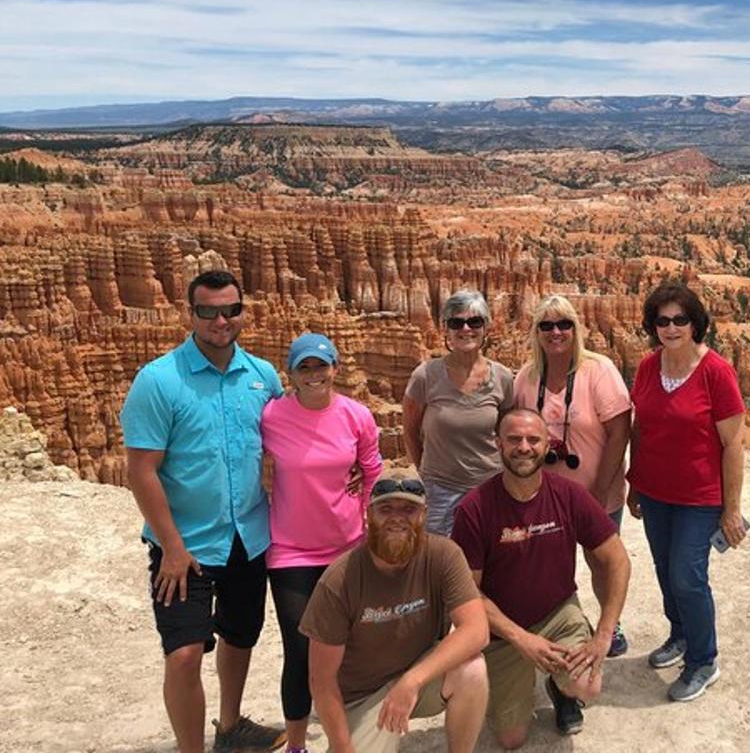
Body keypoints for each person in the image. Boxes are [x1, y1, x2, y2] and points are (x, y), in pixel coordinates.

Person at [120, 269, 286, 753]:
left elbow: (287, 443)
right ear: (190, 313)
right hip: (186, 545)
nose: (220, 320)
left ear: (242, 312)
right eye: (208, 311)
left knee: (240, 636)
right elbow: (142, 470)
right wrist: (171, 546)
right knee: (184, 653)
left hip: (248, 536)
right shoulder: (159, 380)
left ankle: (231, 727)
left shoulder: (262, 376)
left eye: (230, 310)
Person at [451, 409, 630, 748]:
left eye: (533, 439)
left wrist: (605, 633)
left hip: (557, 613)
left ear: (547, 444)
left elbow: (617, 560)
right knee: (511, 740)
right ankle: (515, 682)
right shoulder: (474, 509)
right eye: (514, 439)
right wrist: (521, 639)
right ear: (498, 444)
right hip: (502, 633)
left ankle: (559, 685)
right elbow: (467, 592)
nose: (524, 447)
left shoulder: (568, 495)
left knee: (586, 686)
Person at [301, 478, 490, 753]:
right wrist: (343, 747)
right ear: (368, 514)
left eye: (409, 510)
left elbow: (476, 630)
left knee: (472, 669)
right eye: (386, 509)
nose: (397, 518)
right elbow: (322, 680)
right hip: (361, 697)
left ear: (424, 514)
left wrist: (411, 682)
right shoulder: (340, 579)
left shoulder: (444, 555)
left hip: (417, 676)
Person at [261, 332, 384, 753]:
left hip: (348, 545)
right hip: (290, 551)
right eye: (304, 367)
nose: (314, 374)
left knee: (350, 648)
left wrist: (370, 529)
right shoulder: (272, 416)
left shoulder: (356, 415)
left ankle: (348, 735)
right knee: (300, 650)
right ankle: (297, 745)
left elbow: (371, 469)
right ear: (291, 375)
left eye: (321, 365)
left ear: (335, 368)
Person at [626, 281, 746, 703]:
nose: (671, 327)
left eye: (680, 319)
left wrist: (731, 510)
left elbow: (733, 443)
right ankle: (678, 636)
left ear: (695, 324)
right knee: (664, 568)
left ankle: (703, 660)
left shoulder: (716, 372)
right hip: (656, 492)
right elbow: (641, 428)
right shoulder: (646, 368)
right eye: (663, 320)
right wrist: (634, 481)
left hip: (700, 497)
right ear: (653, 326)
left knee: (687, 576)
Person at [513, 294, 633, 657]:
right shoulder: (526, 378)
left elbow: (620, 432)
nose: (556, 332)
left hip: (597, 491)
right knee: (549, 565)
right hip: (545, 496)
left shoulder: (598, 370)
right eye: (546, 325)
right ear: (535, 332)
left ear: (576, 329)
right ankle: (558, 628)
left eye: (564, 324)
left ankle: (611, 627)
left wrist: (598, 492)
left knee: (601, 560)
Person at [402, 289, 514, 536]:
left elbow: (507, 433)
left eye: (475, 322)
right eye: (456, 322)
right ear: (446, 329)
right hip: (439, 491)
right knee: (442, 563)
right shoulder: (425, 375)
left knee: (491, 563)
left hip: (491, 488)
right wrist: (425, 473)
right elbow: (410, 430)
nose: (466, 329)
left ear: (486, 327)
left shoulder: (503, 377)